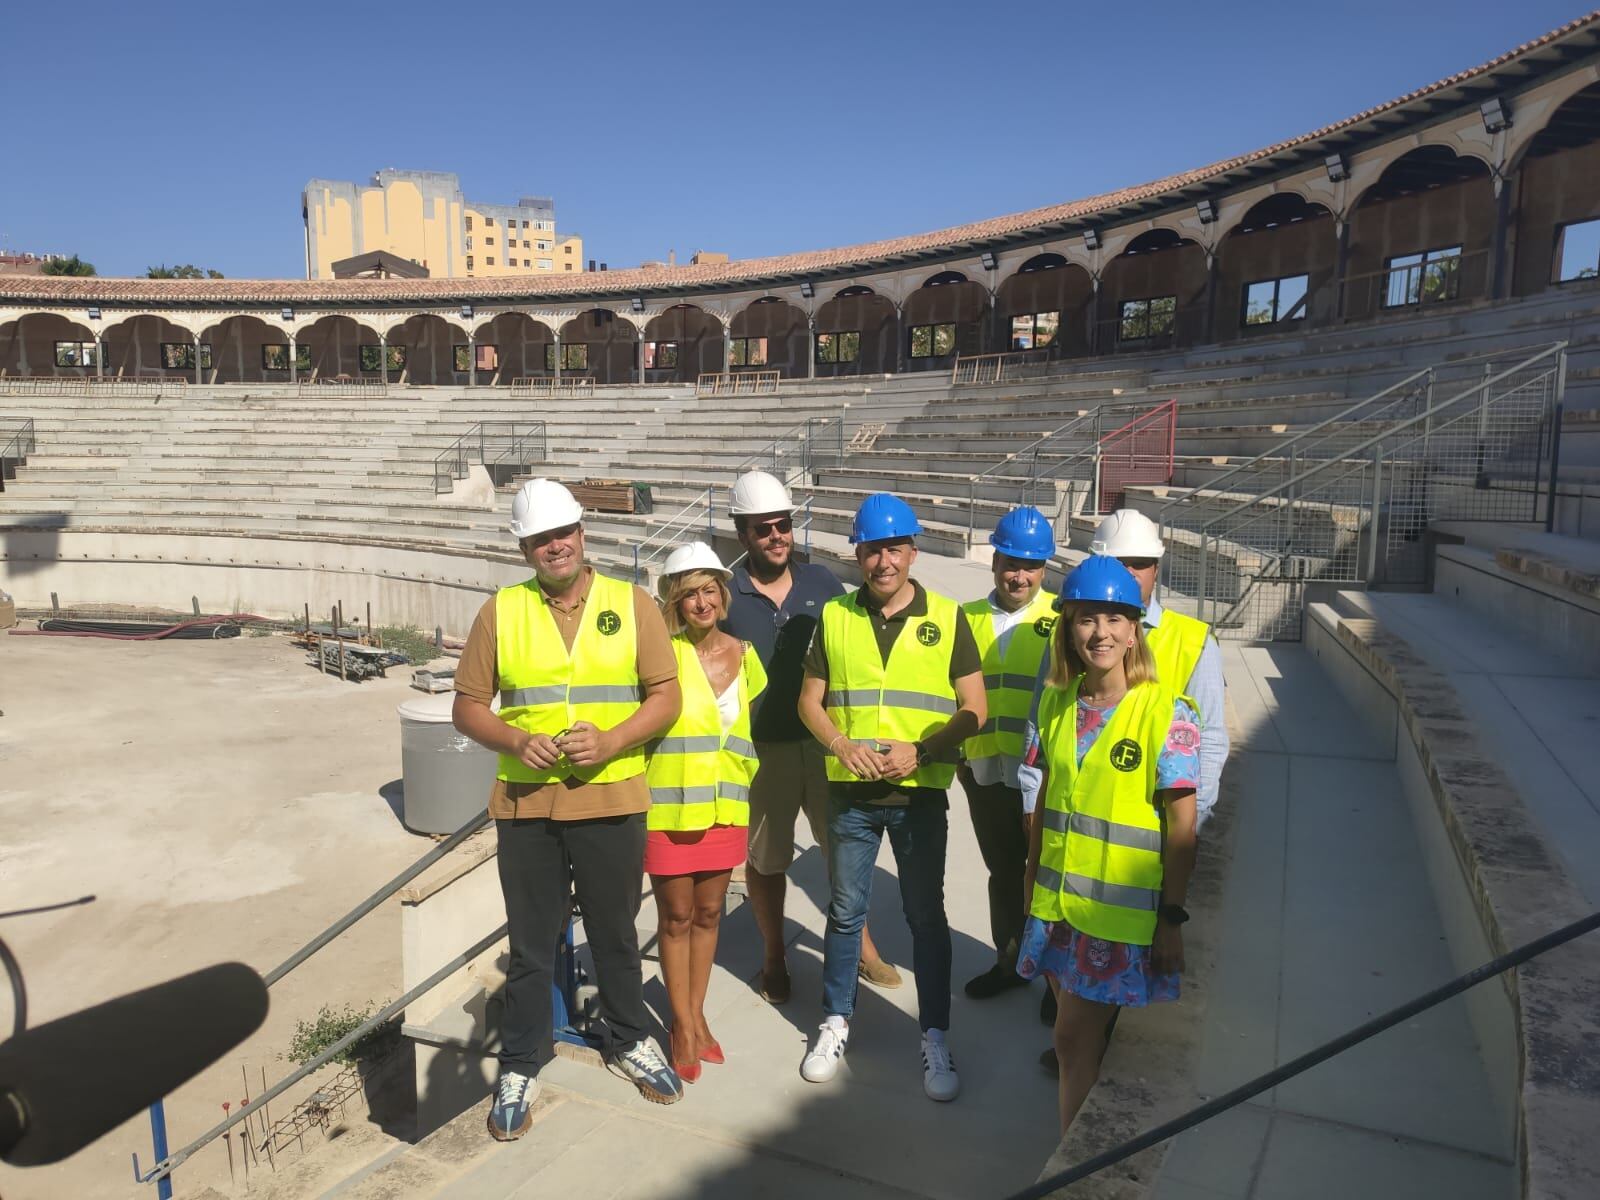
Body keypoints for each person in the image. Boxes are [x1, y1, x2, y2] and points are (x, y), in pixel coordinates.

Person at [453, 478, 685, 1141]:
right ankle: (521, 1063)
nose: (555, 546)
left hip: (611, 797)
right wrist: (516, 739)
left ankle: (630, 1037)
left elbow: (664, 696)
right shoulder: (501, 612)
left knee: (614, 934)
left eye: (564, 534)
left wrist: (612, 740)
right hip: (528, 806)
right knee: (529, 948)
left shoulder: (631, 602)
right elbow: (467, 706)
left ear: (582, 535)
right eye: (540, 538)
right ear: (525, 548)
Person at [795, 493, 988, 1102]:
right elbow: (809, 700)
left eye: (895, 549)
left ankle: (933, 1034)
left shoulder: (949, 617)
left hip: (918, 795)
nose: (884, 561)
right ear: (858, 552)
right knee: (847, 912)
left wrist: (924, 751)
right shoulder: (835, 617)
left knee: (925, 916)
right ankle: (834, 1022)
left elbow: (974, 709)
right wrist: (838, 744)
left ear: (913, 550)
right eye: (873, 549)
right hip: (852, 793)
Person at [1023, 508, 1230, 1051]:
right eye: (1117, 562)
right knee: (1076, 1020)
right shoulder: (1081, 630)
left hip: (1143, 849)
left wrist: (1182, 831)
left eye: (1140, 563)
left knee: (1090, 1023)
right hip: (1071, 869)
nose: (1128, 573)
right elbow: (1051, 740)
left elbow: (1206, 742)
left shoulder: (1189, 638)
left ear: (1157, 568)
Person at [1018, 555, 1200, 1135]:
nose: (1101, 633)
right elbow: (1046, 801)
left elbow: (1182, 827)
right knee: (1078, 1044)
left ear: (1134, 630)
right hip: (1056, 909)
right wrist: (1030, 885)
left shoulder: (1166, 712)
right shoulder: (1054, 702)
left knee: (1071, 1038)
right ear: (1067, 627)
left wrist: (1171, 918)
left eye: (1116, 620)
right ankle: (1082, 1145)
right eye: (1087, 619)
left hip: (1117, 921)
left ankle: (1071, 1165)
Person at [723, 469, 900, 1005]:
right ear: (743, 534)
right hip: (762, 753)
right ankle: (775, 954)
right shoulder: (724, 593)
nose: (777, 535)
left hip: (826, 745)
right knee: (768, 861)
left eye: (783, 525)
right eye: (763, 528)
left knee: (843, 856)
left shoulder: (823, 584)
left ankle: (863, 946)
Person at [646, 542, 767, 1082]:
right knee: (675, 918)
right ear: (675, 599)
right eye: (689, 593)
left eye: (710, 590)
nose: (702, 602)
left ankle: (695, 1016)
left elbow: (738, 735)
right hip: (669, 812)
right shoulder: (659, 657)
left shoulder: (748, 658)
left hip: (726, 808)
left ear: (723, 592)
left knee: (710, 914)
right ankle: (682, 1025)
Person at [958, 505, 1059, 999]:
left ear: (1044, 569)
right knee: (1004, 870)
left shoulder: (1063, 618)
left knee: (1045, 871)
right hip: (983, 766)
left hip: (1041, 772)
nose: (1020, 574)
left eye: (1031, 565)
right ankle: (1010, 960)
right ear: (994, 561)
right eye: (1011, 561)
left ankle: (1056, 982)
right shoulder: (967, 617)